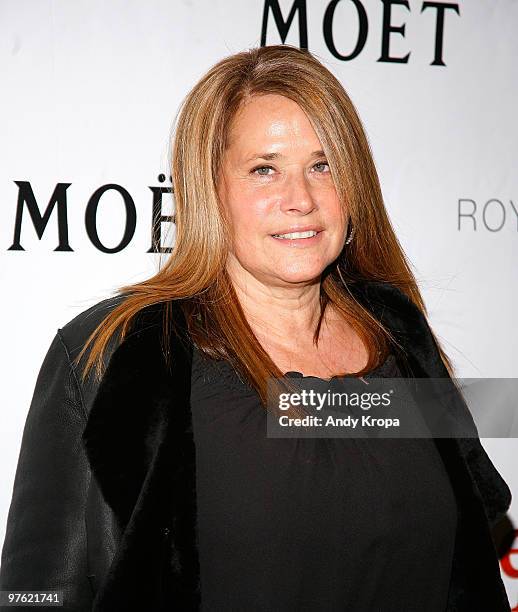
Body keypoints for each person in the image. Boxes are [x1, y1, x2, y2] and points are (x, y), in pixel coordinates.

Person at [0, 44, 512, 612]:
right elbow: (37, 594)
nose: (301, 200)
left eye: (324, 166)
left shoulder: (398, 337)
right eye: (264, 169)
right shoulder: (117, 357)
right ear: (211, 190)